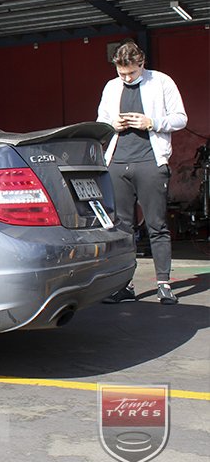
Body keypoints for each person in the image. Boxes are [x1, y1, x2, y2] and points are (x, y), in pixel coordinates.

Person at [97, 41, 188, 304]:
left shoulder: (161, 82)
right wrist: (111, 123)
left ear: (142, 64)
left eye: (131, 73)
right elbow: (101, 119)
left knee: (156, 225)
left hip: (150, 161)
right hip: (117, 161)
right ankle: (124, 285)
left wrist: (152, 122)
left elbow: (181, 118)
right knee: (122, 228)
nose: (125, 77)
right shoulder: (111, 87)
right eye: (121, 72)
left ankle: (164, 284)